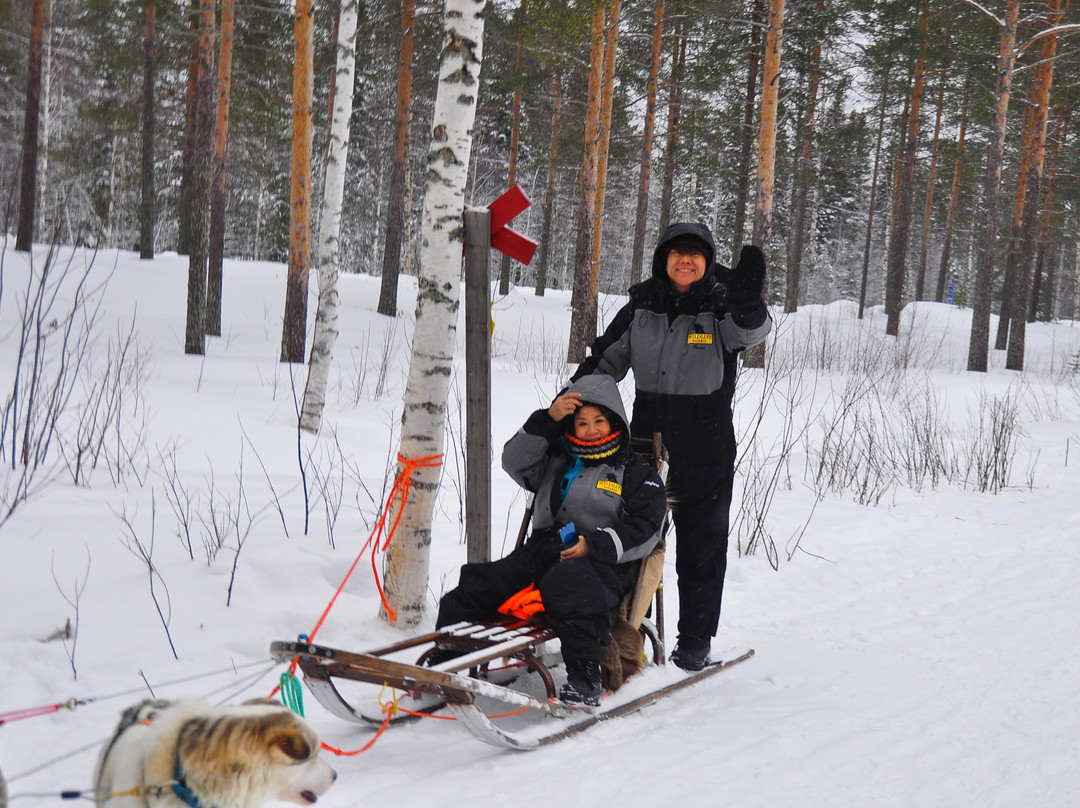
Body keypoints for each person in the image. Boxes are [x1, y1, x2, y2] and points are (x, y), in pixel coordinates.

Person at [570, 222, 772, 671]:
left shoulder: (722, 305)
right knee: (631, 537)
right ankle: (619, 631)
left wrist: (748, 305)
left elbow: (752, 333)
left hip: (706, 445)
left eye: (695, 254)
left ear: (707, 261)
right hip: (644, 445)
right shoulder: (643, 305)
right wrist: (569, 406)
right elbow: (604, 363)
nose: (686, 260)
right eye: (677, 252)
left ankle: (695, 638)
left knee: (702, 544)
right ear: (664, 259)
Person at [436, 374, 666, 707]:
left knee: (569, 582)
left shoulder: (633, 471)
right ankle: (444, 665)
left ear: (614, 420)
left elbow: (646, 529)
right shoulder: (558, 458)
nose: (591, 429)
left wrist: (593, 544)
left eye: (599, 421)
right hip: (543, 553)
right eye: (582, 422)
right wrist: (548, 419)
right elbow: (512, 462)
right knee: (479, 582)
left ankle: (585, 678)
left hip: (599, 569)